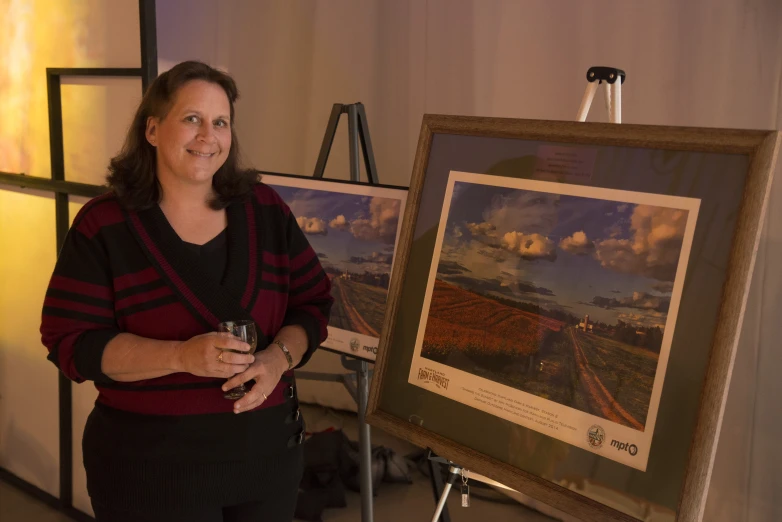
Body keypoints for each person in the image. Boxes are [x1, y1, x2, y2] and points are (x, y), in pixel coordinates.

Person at [40, 61, 333, 522]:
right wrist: (181, 357)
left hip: (267, 463)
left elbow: (313, 305)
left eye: (221, 122)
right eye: (192, 119)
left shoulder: (265, 209)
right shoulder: (104, 225)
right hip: (149, 473)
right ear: (152, 129)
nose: (208, 136)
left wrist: (277, 359)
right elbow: (70, 343)